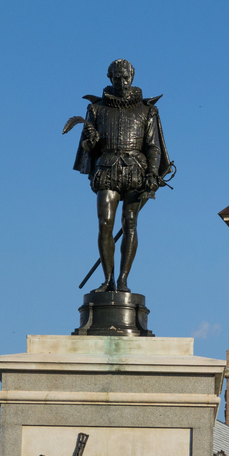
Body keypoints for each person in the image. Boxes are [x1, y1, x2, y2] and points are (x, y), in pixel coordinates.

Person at [74, 59, 163, 293]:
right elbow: (87, 147)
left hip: (136, 170)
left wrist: (153, 173)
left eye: (126, 77)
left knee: (130, 223)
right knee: (105, 223)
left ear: (132, 76)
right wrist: (89, 142)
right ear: (109, 77)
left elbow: (153, 147)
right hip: (106, 169)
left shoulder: (147, 110)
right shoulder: (95, 109)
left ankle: (123, 280)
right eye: (117, 78)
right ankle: (108, 280)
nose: (122, 82)